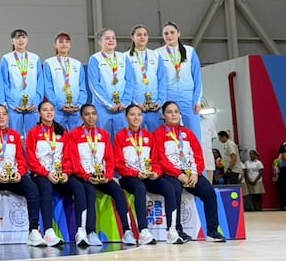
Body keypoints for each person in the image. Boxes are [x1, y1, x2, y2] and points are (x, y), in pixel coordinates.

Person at [152, 101, 227, 242]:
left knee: (209, 192)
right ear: (163, 116)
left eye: (176, 111)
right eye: (169, 112)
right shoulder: (158, 134)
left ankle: (212, 231)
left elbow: (198, 155)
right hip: (171, 173)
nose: (173, 114)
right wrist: (178, 174)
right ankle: (177, 230)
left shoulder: (188, 133)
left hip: (191, 172)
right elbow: (160, 159)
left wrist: (195, 172)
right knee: (174, 190)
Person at [65, 104, 138, 246]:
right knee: (90, 192)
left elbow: (110, 159)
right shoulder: (73, 135)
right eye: (87, 114)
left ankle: (127, 231)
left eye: (93, 114)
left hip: (102, 176)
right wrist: (86, 176)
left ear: (97, 116)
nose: (91, 117)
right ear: (81, 117)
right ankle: (91, 232)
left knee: (117, 191)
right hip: (84, 176)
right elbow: (73, 160)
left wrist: (108, 175)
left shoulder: (104, 135)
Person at [0, 104, 44, 248]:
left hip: (13, 176)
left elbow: (21, 158)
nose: (1, 117)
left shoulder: (14, 135)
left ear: (8, 117)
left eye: (4, 114)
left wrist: (20, 173)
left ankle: (33, 231)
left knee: (32, 188)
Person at [26, 101, 91, 247]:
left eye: (51, 110)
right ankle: (48, 231)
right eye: (45, 110)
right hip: (42, 174)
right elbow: (32, 159)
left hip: (60, 174)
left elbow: (68, 156)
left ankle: (81, 231)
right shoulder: (34, 133)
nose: (49, 113)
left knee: (79, 187)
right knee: (46, 189)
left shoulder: (62, 132)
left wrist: (66, 173)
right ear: (39, 113)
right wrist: (46, 173)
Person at [114, 105, 178, 245]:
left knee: (168, 187)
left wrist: (156, 172)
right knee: (139, 188)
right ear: (126, 117)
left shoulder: (148, 136)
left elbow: (156, 160)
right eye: (132, 115)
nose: (136, 118)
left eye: (139, 115)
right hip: (128, 177)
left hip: (147, 176)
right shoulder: (120, 136)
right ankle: (143, 231)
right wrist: (136, 173)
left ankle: (171, 230)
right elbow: (118, 164)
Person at [155, 21, 203, 141]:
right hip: (168, 98)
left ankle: (196, 159)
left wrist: (197, 100)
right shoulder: (158, 53)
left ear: (178, 33)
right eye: (166, 33)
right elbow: (157, 79)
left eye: (172, 32)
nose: (169, 36)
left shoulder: (190, 51)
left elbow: (197, 77)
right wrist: (160, 100)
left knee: (194, 135)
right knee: (170, 135)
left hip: (188, 98)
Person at [87, 29, 135, 140]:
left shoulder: (123, 58)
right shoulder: (95, 59)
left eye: (113, 38)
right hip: (103, 108)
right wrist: (109, 104)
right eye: (107, 38)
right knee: (103, 139)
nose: (111, 40)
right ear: (100, 41)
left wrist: (126, 102)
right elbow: (95, 84)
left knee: (123, 140)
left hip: (122, 107)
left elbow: (130, 82)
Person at [0, 29, 43, 138]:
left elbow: (40, 83)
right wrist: (11, 104)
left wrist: (36, 102)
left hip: (32, 106)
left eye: (23, 37)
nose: (20, 40)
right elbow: (3, 84)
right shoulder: (6, 59)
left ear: (27, 40)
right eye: (17, 37)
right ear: (12, 41)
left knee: (33, 138)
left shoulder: (35, 58)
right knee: (14, 137)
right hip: (14, 107)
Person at [125, 25, 166, 131]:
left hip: (155, 106)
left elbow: (162, 80)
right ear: (132, 37)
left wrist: (160, 101)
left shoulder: (156, 56)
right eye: (139, 35)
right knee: (137, 138)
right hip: (135, 107)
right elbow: (126, 83)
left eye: (145, 35)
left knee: (157, 137)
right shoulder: (125, 57)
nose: (142, 37)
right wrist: (135, 102)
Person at [43, 32, 86, 131]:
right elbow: (48, 87)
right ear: (55, 45)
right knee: (57, 139)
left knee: (76, 139)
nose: (64, 44)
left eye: (67, 42)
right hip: (58, 110)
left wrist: (79, 104)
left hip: (75, 109)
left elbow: (83, 88)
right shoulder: (49, 63)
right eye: (61, 42)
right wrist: (59, 105)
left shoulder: (77, 64)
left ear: (70, 45)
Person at [273, 142, 286, 210]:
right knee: (283, 189)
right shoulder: (280, 156)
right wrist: (276, 175)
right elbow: (276, 166)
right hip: (283, 172)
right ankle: (283, 205)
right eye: (285, 146)